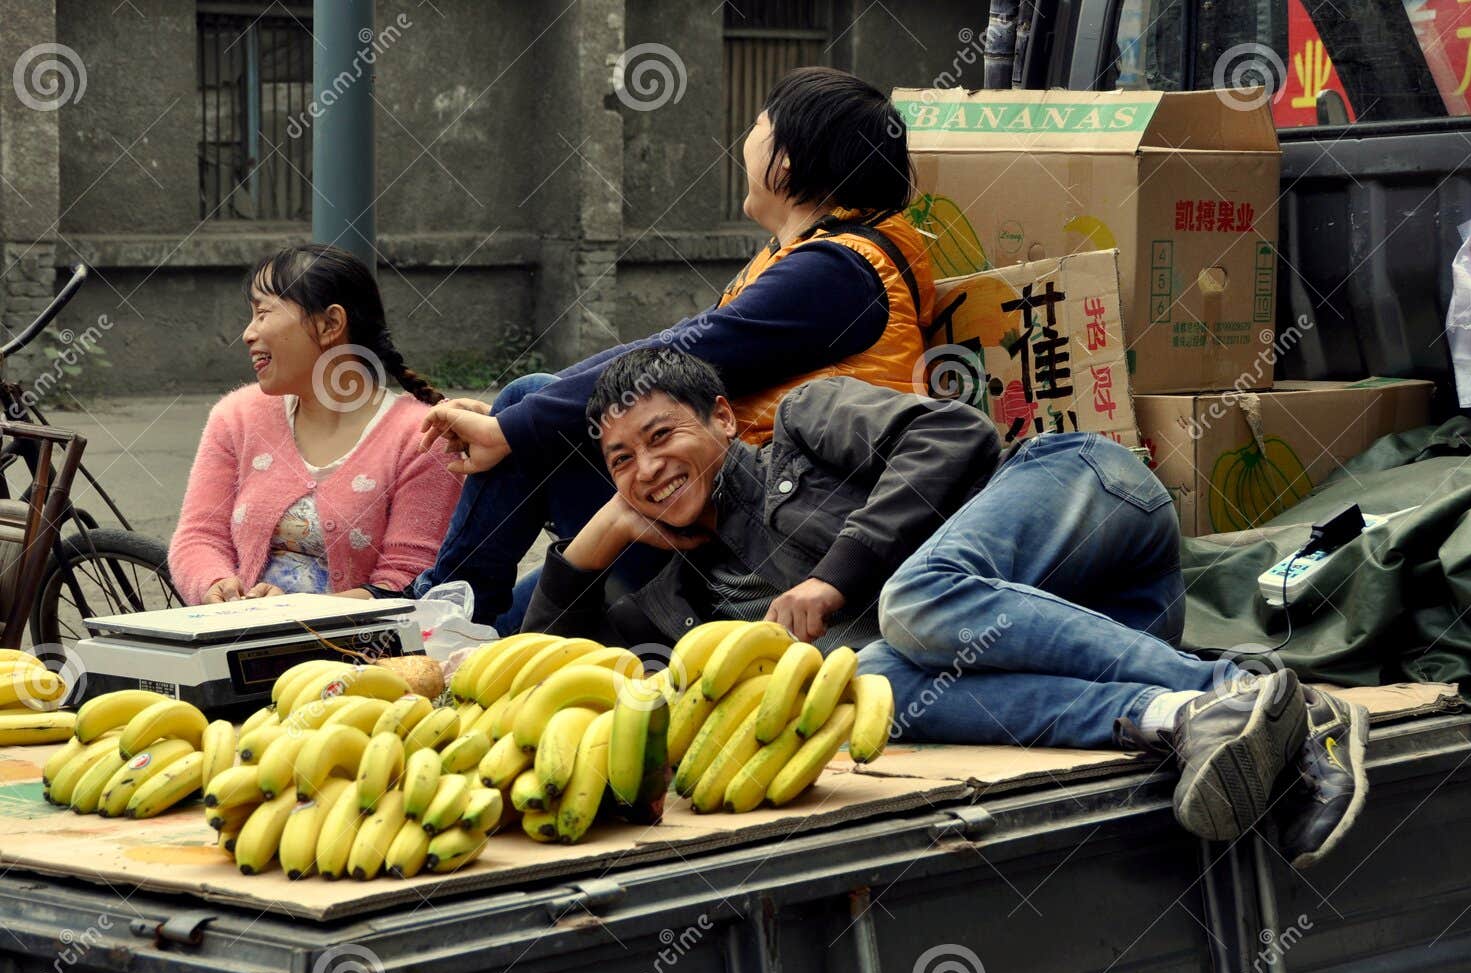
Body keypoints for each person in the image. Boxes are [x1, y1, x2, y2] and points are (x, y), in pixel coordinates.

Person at [522, 345, 1370, 866]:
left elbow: (952, 437)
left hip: (1083, 504)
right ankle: (1185, 711)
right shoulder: (683, 603)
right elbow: (538, 669)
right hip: (1089, 643)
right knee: (874, 682)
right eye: (620, 460)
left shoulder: (808, 421)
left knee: (913, 601)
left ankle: (1234, 680)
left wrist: (834, 577)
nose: (645, 469)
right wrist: (590, 545)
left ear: (720, 418)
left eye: (662, 436)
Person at [410, 67, 935, 633]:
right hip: (724, 503)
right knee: (516, 624)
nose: (745, 140)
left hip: (765, 526)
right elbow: (672, 359)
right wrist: (519, 423)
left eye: (759, 124)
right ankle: (450, 622)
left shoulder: (838, 271)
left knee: (529, 403)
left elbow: (687, 350)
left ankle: (439, 613)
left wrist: (514, 428)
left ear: (786, 160)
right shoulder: (822, 256)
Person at [169, 245, 463, 605]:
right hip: (238, 641)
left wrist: (295, 613)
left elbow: (407, 581)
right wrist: (215, 585)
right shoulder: (236, 417)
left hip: (357, 656)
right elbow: (199, 536)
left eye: (263, 314)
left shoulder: (421, 436)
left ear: (329, 324)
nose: (248, 334)